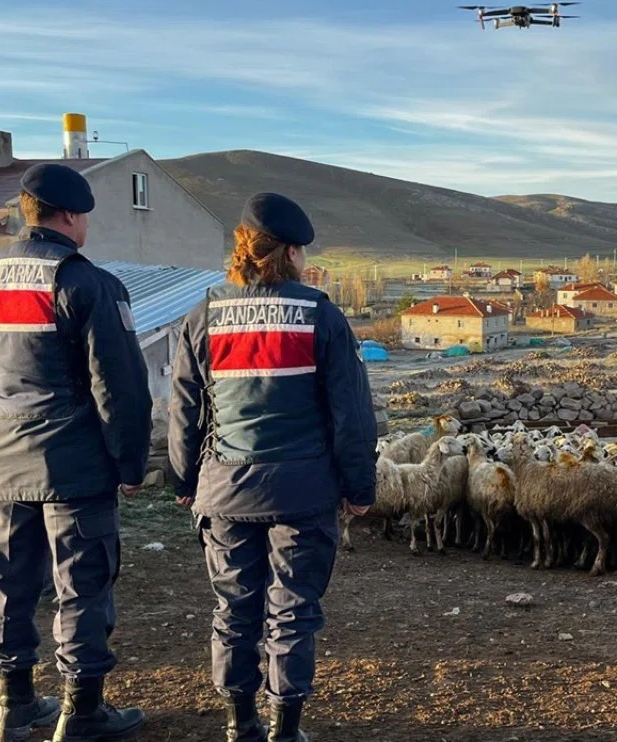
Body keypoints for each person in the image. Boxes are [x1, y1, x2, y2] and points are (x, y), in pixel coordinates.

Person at [0, 163, 153, 742]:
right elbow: (120, 388)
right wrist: (130, 463)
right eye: (85, 214)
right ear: (68, 215)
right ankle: (81, 711)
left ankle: (14, 706)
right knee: (82, 586)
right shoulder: (87, 283)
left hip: (4, 461)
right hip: (74, 466)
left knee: (10, 583)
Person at [168, 192, 377, 742]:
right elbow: (351, 414)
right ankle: (286, 730)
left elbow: (185, 406)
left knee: (234, 610)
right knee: (291, 611)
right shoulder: (320, 315)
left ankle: (241, 725)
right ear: (289, 252)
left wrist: (184, 478)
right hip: (302, 495)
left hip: (226, 489)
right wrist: (359, 488)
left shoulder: (203, 316)